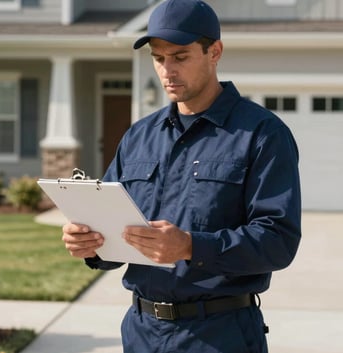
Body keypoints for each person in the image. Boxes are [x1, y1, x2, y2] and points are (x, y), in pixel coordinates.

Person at [62, 0, 302, 352]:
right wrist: (91, 244)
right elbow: (117, 231)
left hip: (220, 336)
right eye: (159, 59)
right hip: (141, 333)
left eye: (180, 56)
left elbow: (278, 242)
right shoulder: (139, 137)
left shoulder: (262, 133)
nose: (167, 70)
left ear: (214, 51)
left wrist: (191, 246)